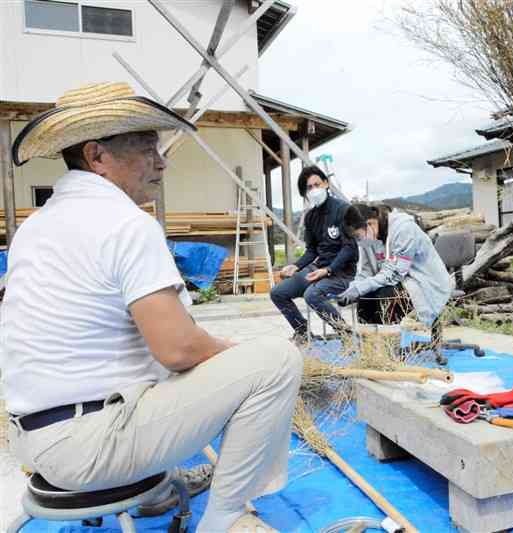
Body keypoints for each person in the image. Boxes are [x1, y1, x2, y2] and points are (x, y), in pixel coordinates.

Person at [1, 82, 301, 533]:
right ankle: (226, 519)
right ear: (97, 156)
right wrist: (232, 351)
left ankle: (159, 491)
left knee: (152, 369)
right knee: (277, 359)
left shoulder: (35, 226)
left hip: (33, 439)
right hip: (91, 448)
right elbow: (178, 349)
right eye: (147, 148)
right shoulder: (124, 223)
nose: (162, 162)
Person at [270, 166, 357, 343]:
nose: (314, 190)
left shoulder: (344, 210)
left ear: (326, 183)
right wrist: (296, 266)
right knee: (277, 292)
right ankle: (303, 332)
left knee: (312, 295)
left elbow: (350, 248)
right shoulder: (311, 217)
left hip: (343, 272)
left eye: (317, 184)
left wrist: (328, 270)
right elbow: (312, 250)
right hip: (318, 269)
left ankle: (346, 334)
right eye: (309, 188)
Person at [337, 204, 451, 328]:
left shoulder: (404, 229)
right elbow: (366, 270)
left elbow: (394, 274)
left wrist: (360, 288)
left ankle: (396, 341)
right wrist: (353, 288)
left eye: (358, 236)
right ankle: (371, 341)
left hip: (424, 282)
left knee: (387, 295)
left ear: (369, 224)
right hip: (398, 280)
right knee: (365, 298)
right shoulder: (368, 237)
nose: (359, 241)